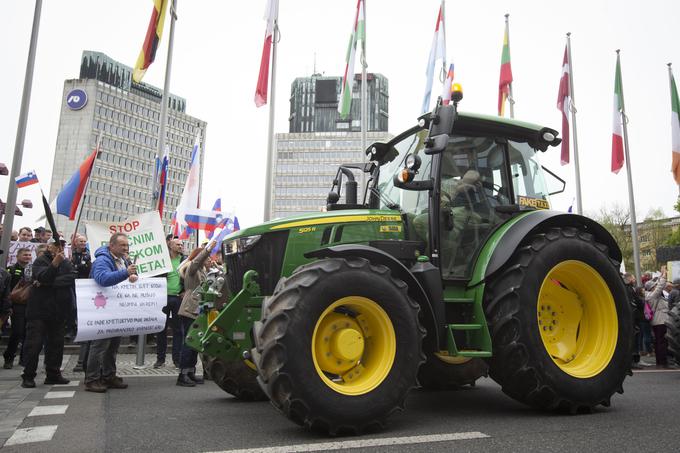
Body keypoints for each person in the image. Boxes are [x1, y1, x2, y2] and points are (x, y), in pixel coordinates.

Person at [84, 232, 137, 393]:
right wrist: (125, 273)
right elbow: (102, 279)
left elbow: (125, 276)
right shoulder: (102, 260)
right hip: (103, 309)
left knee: (113, 345)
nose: (126, 248)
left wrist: (133, 276)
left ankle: (108, 375)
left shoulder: (123, 260)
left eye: (127, 245)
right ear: (111, 245)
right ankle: (91, 379)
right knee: (99, 345)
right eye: (122, 245)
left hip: (116, 309)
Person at [20, 239, 74, 388]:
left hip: (58, 310)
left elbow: (71, 278)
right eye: (56, 245)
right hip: (39, 311)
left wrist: (47, 283)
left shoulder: (66, 262)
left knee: (56, 344)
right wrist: (54, 264)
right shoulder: (40, 261)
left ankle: (53, 374)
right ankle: (28, 375)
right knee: (34, 344)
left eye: (61, 245)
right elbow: (42, 276)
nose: (59, 247)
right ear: (49, 247)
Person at [176, 241, 216, 386]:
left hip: (198, 308)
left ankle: (191, 372)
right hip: (190, 308)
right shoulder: (192, 268)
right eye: (207, 258)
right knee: (188, 342)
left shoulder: (203, 271)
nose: (209, 260)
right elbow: (197, 261)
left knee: (195, 343)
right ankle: (182, 375)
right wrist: (208, 249)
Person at [154, 236, 185, 369]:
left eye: (182, 244)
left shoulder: (185, 260)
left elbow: (190, 275)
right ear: (170, 246)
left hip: (178, 298)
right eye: (178, 244)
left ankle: (177, 359)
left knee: (178, 330)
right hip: (163, 298)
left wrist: (185, 290)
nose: (181, 246)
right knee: (161, 329)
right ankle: (160, 359)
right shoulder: (162, 260)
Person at [3, 248, 33, 369]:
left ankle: (23, 358)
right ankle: (9, 357)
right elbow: (7, 289)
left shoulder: (32, 270)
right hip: (16, 305)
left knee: (27, 333)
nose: (27, 257)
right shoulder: (11, 270)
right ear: (18, 256)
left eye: (29, 255)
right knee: (17, 332)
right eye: (25, 255)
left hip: (29, 305)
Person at [71, 234, 92, 373]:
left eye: (85, 241)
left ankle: (83, 362)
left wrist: (80, 266)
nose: (83, 243)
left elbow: (86, 269)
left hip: (87, 289)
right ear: (75, 243)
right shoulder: (70, 254)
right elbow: (72, 270)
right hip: (72, 287)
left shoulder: (89, 255)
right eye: (81, 241)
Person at [645, 266, 670, 368]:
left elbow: (659, 285)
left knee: (659, 341)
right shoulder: (652, 295)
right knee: (661, 342)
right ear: (652, 288)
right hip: (660, 321)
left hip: (658, 321)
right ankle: (662, 362)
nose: (657, 286)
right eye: (655, 286)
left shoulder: (650, 295)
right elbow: (660, 287)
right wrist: (664, 276)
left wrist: (661, 274)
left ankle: (660, 362)